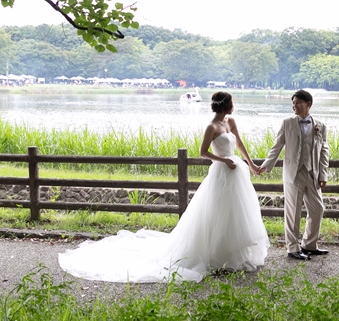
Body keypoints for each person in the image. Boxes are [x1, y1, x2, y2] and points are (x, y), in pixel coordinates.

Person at [58, 92, 269, 282]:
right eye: (231, 102)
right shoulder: (211, 127)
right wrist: (223, 161)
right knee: (217, 214)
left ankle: (233, 257)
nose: (233, 106)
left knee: (236, 214)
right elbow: (203, 152)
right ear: (225, 105)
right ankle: (216, 257)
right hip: (221, 172)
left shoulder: (230, 121)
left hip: (237, 173)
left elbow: (239, 144)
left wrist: (250, 164)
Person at [258, 89, 329, 260]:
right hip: (293, 173)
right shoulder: (287, 123)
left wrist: (323, 175)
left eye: (298, 103)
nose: (294, 106)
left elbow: (324, 151)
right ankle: (292, 248)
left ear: (308, 104)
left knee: (318, 209)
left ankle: (309, 245)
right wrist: (266, 166)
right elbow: (277, 146)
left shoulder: (320, 125)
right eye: (293, 103)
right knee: (293, 211)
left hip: (312, 173)